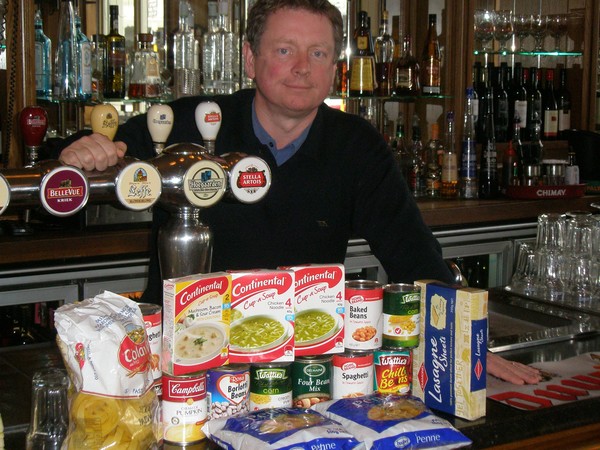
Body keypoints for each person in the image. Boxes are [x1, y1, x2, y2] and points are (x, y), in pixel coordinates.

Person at [55, 0, 540, 385]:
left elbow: (412, 252)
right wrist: (80, 154)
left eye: (319, 53)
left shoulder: (356, 145)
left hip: (302, 363)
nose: (303, 68)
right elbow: (76, 177)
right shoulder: (188, 123)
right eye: (285, 50)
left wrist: (460, 342)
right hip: (183, 362)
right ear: (250, 58)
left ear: (335, 66)